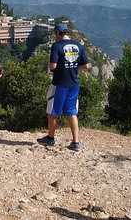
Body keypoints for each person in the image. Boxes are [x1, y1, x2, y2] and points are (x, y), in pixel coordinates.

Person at [37, 23, 91, 152]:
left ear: (56, 33)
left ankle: (50, 138)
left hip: (60, 83)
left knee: (53, 112)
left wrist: (63, 65)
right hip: (74, 83)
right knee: (72, 112)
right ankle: (75, 142)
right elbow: (87, 65)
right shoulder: (79, 46)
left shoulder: (56, 46)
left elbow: (52, 67)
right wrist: (73, 66)